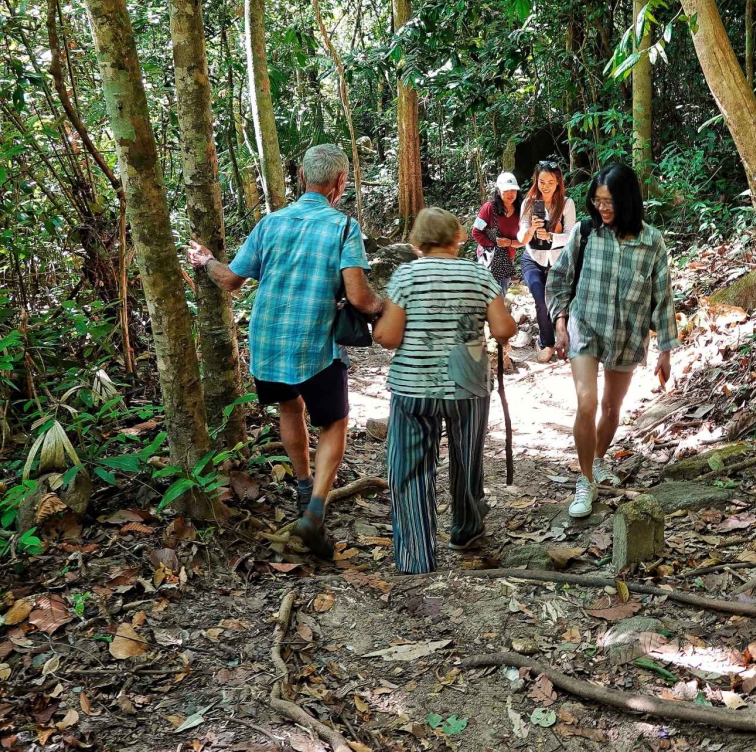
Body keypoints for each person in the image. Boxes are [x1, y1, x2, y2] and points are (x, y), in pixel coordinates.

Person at [186, 143, 382, 559]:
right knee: (334, 423)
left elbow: (230, 280)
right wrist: (388, 308)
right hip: (316, 344)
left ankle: (303, 486)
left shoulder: (270, 223)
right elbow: (360, 297)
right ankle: (314, 510)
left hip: (269, 343)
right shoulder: (343, 227)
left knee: (290, 408)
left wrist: (205, 260)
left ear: (301, 178)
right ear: (340, 183)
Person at [373, 207, 517, 573]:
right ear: (458, 238)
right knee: (467, 459)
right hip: (467, 381)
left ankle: (417, 557)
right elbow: (502, 330)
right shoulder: (477, 274)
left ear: (417, 243)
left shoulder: (405, 276)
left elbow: (388, 338)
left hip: (413, 384)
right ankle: (466, 528)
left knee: (409, 469)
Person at [547, 161, 678, 519]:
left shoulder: (651, 241)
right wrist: (560, 323)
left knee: (610, 409)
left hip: (627, 333)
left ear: (628, 201)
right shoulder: (586, 232)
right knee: (587, 404)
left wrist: (666, 349)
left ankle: (600, 458)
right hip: (585, 326)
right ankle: (586, 480)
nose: (602, 208)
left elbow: (661, 296)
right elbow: (559, 279)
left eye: (610, 202)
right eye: (598, 201)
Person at [518, 161, 578, 363]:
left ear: (558, 182)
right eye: (541, 181)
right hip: (533, 259)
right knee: (541, 299)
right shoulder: (528, 203)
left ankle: (567, 339)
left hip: (558, 260)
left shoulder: (566, 204)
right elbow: (521, 238)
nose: (545, 186)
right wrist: (531, 230)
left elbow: (571, 235)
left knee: (561, 300)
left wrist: (551, 236)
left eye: (550, 182)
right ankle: (546, 342)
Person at [472, 171, 523, 293]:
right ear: (499, 191)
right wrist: (494, 246)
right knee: (486, 293)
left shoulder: (521, 211)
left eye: (513, 190)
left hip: (506, 260)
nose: (510, 194)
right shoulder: (489, 208)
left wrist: (509, 243)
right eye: (506, 190)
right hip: (487, 257)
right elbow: (476, 231)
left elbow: (523, 241)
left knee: (501, 294)